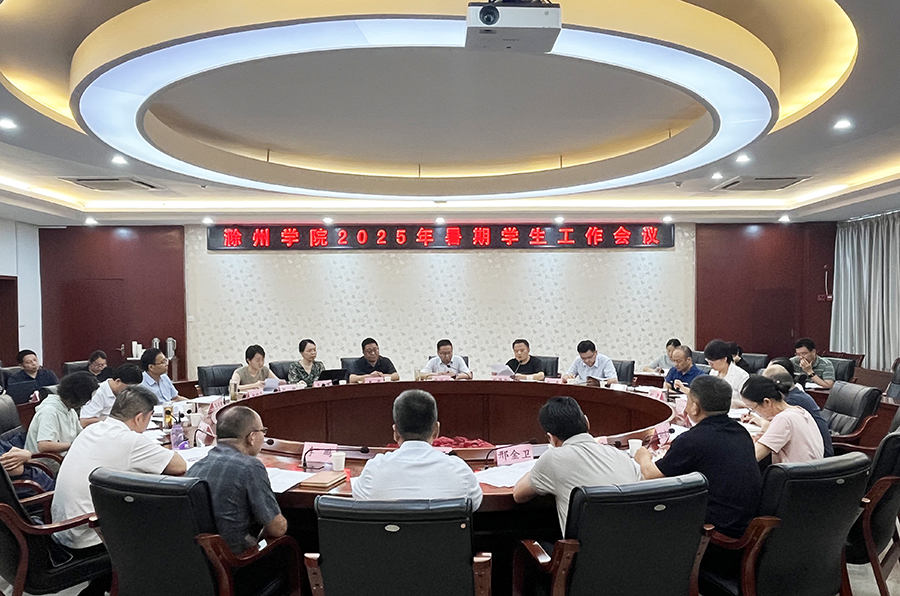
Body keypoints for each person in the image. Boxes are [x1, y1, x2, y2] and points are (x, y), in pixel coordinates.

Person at [51, 385, 186, 595]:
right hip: (89, 534)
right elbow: (180, 466)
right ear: (140, 418)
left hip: (62, 528)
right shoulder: (130, 440)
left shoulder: (92, 430)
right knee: (168, 532)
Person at [635, 375, 761, 538]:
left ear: (695, 407)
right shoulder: (741, 431)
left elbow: (651, 475)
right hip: (743, 522)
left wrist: (643, 456)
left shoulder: (692, 440)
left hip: (716, 528)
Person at [513, 396, 641, 532]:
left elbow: (518, 495)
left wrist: (537, 469)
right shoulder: (623, 457)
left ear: (551, 439)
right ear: (587, 422)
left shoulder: (553, 459)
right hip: (632, 544)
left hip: (585, 546)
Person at [352, 389, 482, 509]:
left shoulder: (374, 470)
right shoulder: (460, 471)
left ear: (396, 432)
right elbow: (475, 504)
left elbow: (359, 500)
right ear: (436, 430)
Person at [187, 406, 287, 553]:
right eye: (262, 431)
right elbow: (277, 529)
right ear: (252, 437)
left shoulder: (196, 467)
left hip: (199, 557)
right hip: (235, 558)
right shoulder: (250, 467)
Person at [740, 375, 824, 464]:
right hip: (813, 470)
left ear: (766, 402)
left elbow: (751, 458)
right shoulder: (801, 411)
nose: (755, 412)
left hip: (795, 471)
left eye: (752, 408)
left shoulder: (783, 419)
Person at [760, 361, 833, 457]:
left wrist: (760, 420)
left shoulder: (793, 401)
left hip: (819, 455)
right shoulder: (796, 394)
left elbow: (775, 428)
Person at [25, 371, 98, 464]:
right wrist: (73, 445)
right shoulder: (49, 412)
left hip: (65, 458)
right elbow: (44, 446)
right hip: (46, 464)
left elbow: (80, 435)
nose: (86, 403)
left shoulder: (70, 410)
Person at [79, 363, 144, 426]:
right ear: (118, 381)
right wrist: (114, 420)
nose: (131, 391)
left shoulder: (125, 393)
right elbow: (84, 422)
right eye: (129, 388)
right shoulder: (97, 393)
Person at [704, 339, 750, 407]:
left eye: (712, 363)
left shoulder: (742, 375)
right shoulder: (713, 372)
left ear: (724, 359)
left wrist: (729, 402)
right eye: (708, 362)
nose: (710, 366)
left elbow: (748, 403)